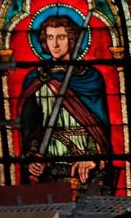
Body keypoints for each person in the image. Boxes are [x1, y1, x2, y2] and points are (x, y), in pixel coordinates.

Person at [18, 14, 112, 189]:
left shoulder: (90, 78)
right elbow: (32, 127)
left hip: (84, 166)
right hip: (50, 166)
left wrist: (92, 157)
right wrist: (33, 159)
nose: (55, 44)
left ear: (71, 38)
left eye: (60, 37)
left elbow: (99, 126)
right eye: (50, 37)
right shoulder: (36, 78)